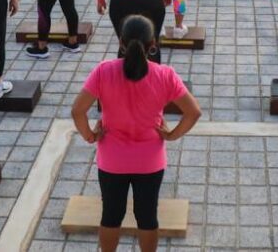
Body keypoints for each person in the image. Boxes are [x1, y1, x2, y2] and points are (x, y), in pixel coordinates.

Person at [70, 14, 201, 252]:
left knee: (111, 215)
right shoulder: (165, 75)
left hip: (111, 162)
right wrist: (171, 135)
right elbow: (193, 112)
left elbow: (77, 110)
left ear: (121, 42)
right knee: (147, 217)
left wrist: (90, 135)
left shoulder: (103, 71)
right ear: (153, 46)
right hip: (150, 163)